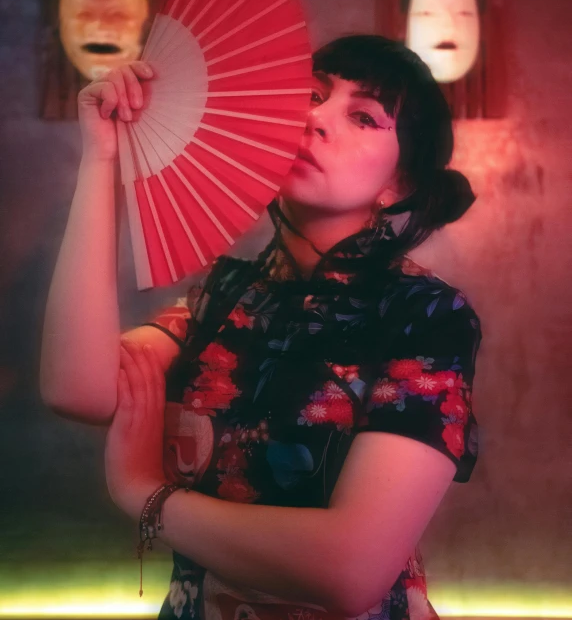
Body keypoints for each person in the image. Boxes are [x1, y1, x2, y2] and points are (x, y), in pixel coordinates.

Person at [40, 34, 482, 620]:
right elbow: (79, 388)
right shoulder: (226, 294)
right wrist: (102, 159)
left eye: (363, 116)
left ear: (397, 185)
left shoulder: (426, 316)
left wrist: (146, 497)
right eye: (312, 94)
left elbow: (351, 570)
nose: (316, 118)